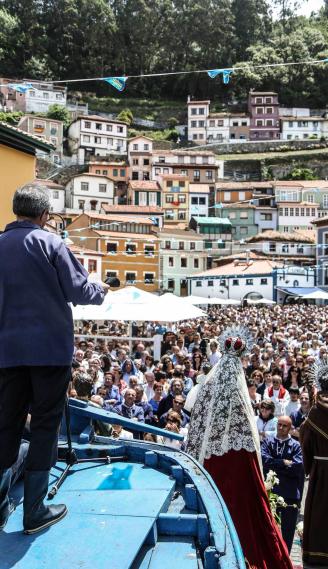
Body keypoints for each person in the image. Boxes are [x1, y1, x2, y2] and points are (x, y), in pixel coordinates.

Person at [0, 184, 109, 534]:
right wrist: (101, 288)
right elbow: (80, 292)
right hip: (49, 351)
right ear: (45, 215)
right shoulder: (51, 243)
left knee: (5, 425)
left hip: (6, 352)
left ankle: (0, 506)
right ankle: (34, 510)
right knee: (45, 424)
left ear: (16, 210)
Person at [186, 326, 293, 569]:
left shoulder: (207, 390)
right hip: (239, 467)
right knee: (247, 517)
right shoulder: (240, 398)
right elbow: (250, 442)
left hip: (210, 466)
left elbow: (196, 428)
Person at [261, 416, 304, 553]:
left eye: (284, 426)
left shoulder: (296, 446)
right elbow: (264, 460)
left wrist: (275, 464)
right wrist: (284, 463)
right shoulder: (268, 442)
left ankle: (285, 558)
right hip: (271, 492)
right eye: (279, 424)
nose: (280, 428)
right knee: (268, 529)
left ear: (290, 428)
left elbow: (297, 467)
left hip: (290, 493)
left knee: (288, 531)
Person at [300, 360, 328, 567]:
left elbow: (306, 442)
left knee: (319, 511)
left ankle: (318, 553)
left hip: (321, 470)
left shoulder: (314, 414)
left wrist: (310, 467)